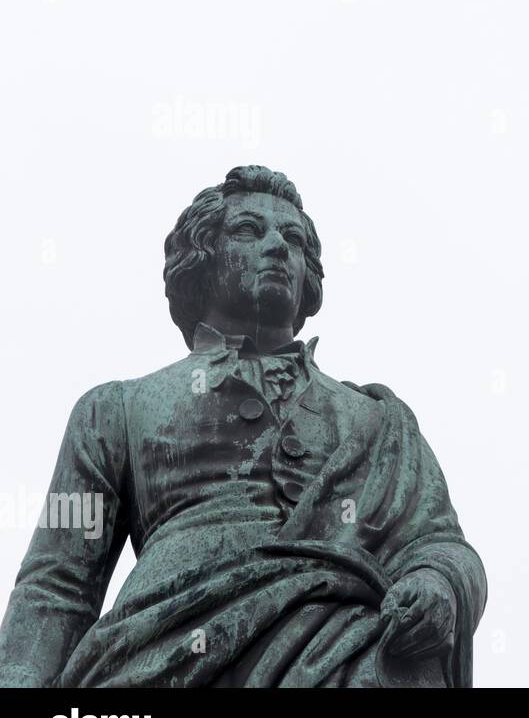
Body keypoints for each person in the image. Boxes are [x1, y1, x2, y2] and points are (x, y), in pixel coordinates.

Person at [0, 165, 487, 686]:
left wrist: (436, 583)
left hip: (346, 650)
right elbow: (58, 586)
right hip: (163, 655)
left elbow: (439, 542)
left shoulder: (379, 422)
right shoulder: (112, 411)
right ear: (202, 259)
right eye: (250, 231)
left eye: (294, 238)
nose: (278, 245)